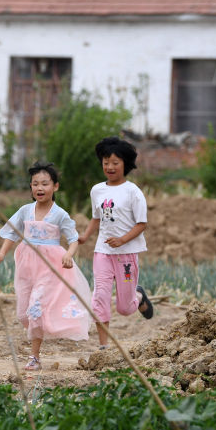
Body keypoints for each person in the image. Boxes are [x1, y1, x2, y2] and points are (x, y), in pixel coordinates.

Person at [0, 161, 92, 371]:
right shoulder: (25, 211)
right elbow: (12, 233)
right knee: (23, 314)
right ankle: (41, 329)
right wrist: (2, 253)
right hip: (26, 264)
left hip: (50, 265)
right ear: (30, 187)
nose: (40, 188)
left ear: (55, 186)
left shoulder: (60, 214)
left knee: (35, 309)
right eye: (35, 183)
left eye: (45, 183)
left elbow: (73, 239)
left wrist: (69, 255)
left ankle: (34, 357)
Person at [78, 136, 154, 350]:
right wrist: (85, 236)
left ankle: (138, 296)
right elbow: (96, 218)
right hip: (102, 252)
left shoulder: (133, 192)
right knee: (100, 297)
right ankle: (103, 346)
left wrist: (122, 240)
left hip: (126, 254)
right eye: (106, 162)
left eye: (115, 163)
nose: (109, 167)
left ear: (125, 164)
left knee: (124, 308)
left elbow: (142, 224)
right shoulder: (97, 190)